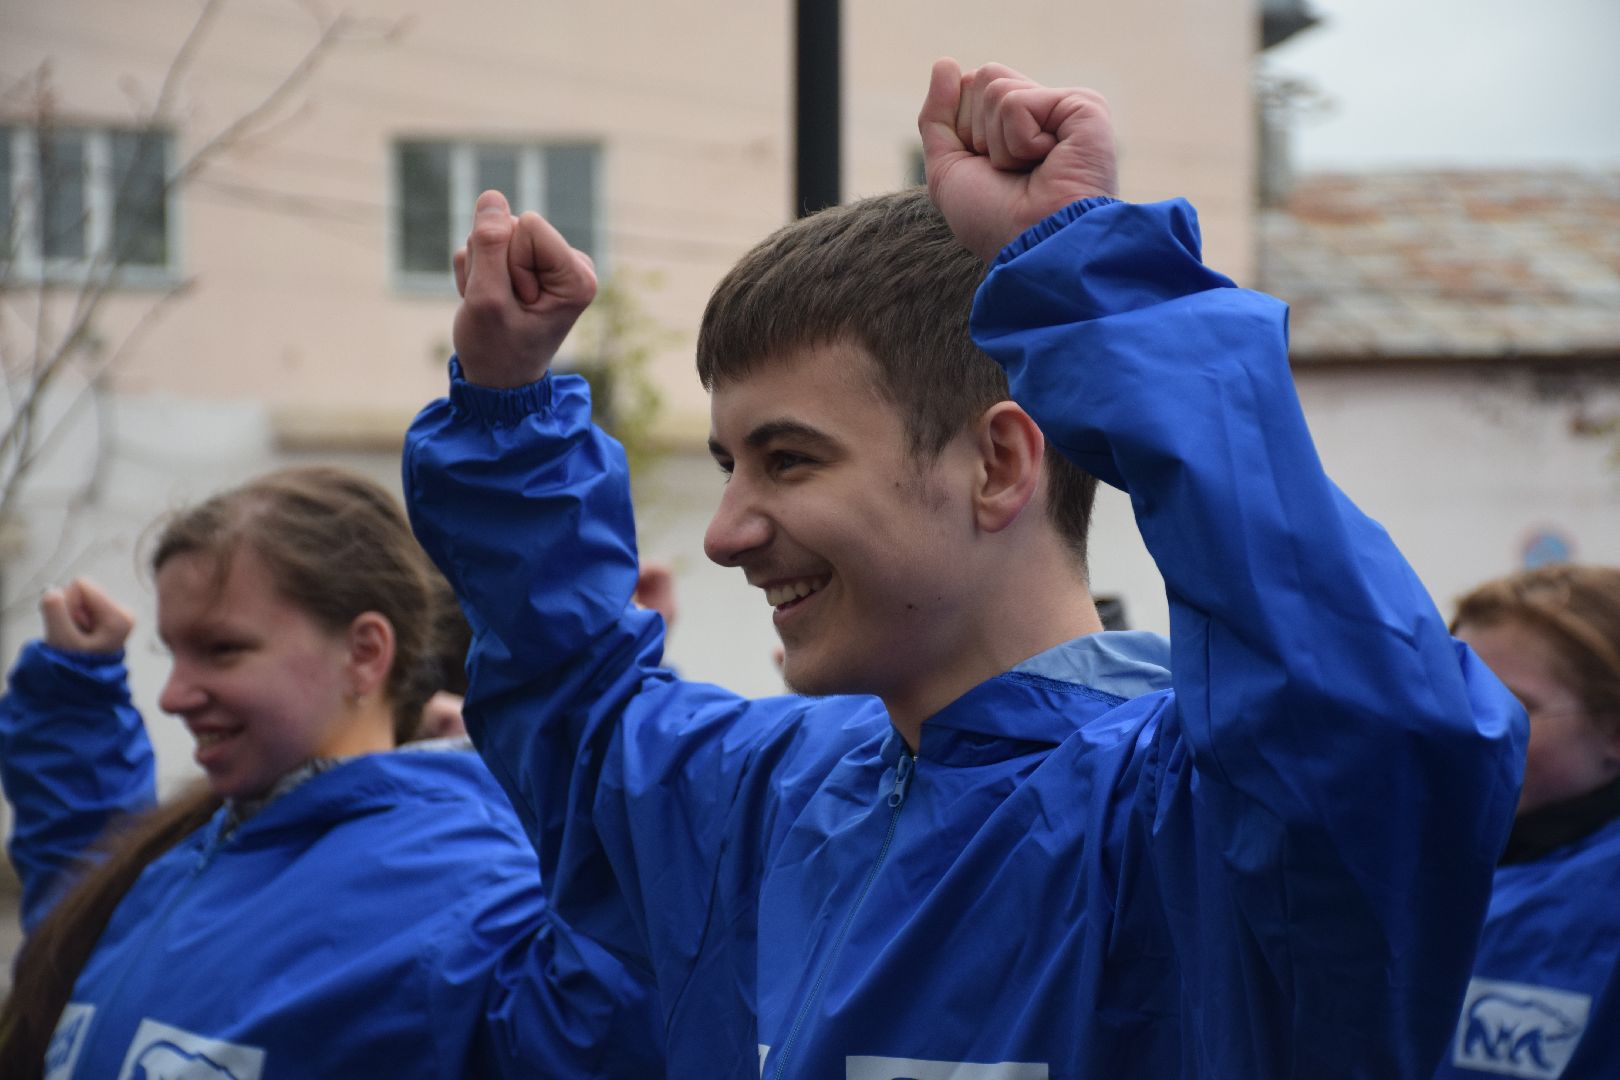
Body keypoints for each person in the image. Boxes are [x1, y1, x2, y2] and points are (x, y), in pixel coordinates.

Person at [403, 60, 1526, 1077]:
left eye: (789, 460)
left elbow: (1377, 726)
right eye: (727, 466)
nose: (727, 531)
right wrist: (506, 415)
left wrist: (1092, 268)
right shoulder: (771, 792)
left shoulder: (1189, 827)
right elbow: (579, 714)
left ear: (999, 464)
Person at [0, 466, 660, 1078]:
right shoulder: (193, 852)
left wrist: (597, 713)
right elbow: (81, 916)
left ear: (365, 654)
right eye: (173, 652)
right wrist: (75, 702)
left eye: (222, 650)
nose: (172, 695)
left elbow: (604, 1025)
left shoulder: (461, 887)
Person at [1435, 564, 1620, 1079]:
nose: (1468, 733)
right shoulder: (1433, 861)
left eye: (1510, 708)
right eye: (1454, 702)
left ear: (1615, 732)